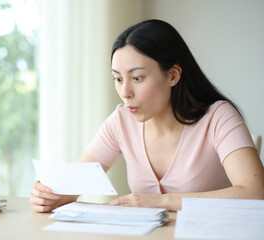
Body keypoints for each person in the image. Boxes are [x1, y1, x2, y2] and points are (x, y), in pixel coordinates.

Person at [30, 19, 264, 212]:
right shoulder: (121, 121)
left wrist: (160, 201)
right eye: (118, 79)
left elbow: (255, 193)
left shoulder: (218, 117)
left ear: (173, 76)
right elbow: (72, 184)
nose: (125, 92)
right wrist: (50, 195)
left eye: (137, 78)